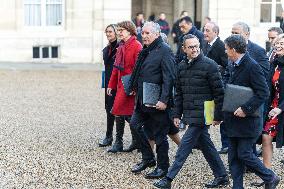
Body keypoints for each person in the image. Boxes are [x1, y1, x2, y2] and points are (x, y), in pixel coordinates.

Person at [154, 34, 228, 189]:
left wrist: (218, 116)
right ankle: (222, 176)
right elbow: (179, 93)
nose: (194, 49)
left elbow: (219, 93)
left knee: (184, 147)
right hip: (189, 112)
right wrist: (176, 114)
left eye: (196, 46)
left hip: (204, 113)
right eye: (191, 47)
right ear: (184, 48)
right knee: (206, 145)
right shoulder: (181, 66)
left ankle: (168, 179)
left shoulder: (210, 65)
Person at [223, 34, 280, 189]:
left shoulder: (252, 66)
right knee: (233, 157)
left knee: (245, 154)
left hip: (248, 122)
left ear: (234, 50)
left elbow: (263, 92)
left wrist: (245, 109)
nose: (225, 52)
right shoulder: (232, 63)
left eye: (227, 49)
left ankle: (271, 177)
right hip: (233, 120)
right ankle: (238, 186)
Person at [128, 21, 176, 179]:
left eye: (148, 33)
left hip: (158, 103)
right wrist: (134, 85)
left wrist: (164, 100)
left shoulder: (165, 50)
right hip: (143, 99)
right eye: (143, 32)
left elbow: (169, 78)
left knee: (160, 136)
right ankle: (148, 158)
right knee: (134, 124)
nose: (144, 35)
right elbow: (141, 72)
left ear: (157, 34)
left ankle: (163, 168)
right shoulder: (146, 50)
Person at [107, 21, 142, 153]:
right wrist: (111, 84)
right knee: (119, 112)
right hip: (121, 85)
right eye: (119, 30)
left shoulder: (137, 46)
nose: (119, 32)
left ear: (130, 31)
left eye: (122, 30)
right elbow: (116, 68)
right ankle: (120, 142)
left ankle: (137, 141)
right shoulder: (121, 46)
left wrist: (134, 86)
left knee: (129, 115)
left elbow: (138, 70)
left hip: (131, 86)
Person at [203, 21, 229, 154]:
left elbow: (227, 66)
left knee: (222, 116)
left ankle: (226, 144)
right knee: (207, 115)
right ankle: (202, 139)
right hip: (207, 87)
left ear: (216, 32)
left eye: (207, 30)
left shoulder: (221, 46)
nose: (204, 33)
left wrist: (216, 69)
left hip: (219, 87)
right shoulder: (205, 44)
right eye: (204, 30)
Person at [262, 34, 284, 169]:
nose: (278, 46)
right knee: (266, 137)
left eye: (282, 43)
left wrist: (281, 108)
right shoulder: (274, 63)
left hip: (281, 107)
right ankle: (267, 174)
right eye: (277, 43)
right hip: (273, 108)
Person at [98, 24, 119, 147]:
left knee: (124, 113)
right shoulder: (108, 48)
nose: (108, 34)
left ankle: (136, 139)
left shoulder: (120, 47)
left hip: (117, 82)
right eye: (106, 32)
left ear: (116, 32)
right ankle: (109, 136)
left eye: (110, 31)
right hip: (108, 82)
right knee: (108, 109)